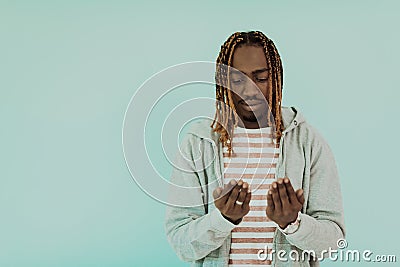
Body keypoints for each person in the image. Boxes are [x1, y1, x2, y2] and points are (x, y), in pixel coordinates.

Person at [165, 31, 345, 267]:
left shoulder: (307, 141)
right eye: (238, 80)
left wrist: (293, 223)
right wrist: (223, 219)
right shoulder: (198, 142)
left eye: (260, 78)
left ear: (276, 79)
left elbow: (333, 242)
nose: (249, 90)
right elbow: (181, 243)